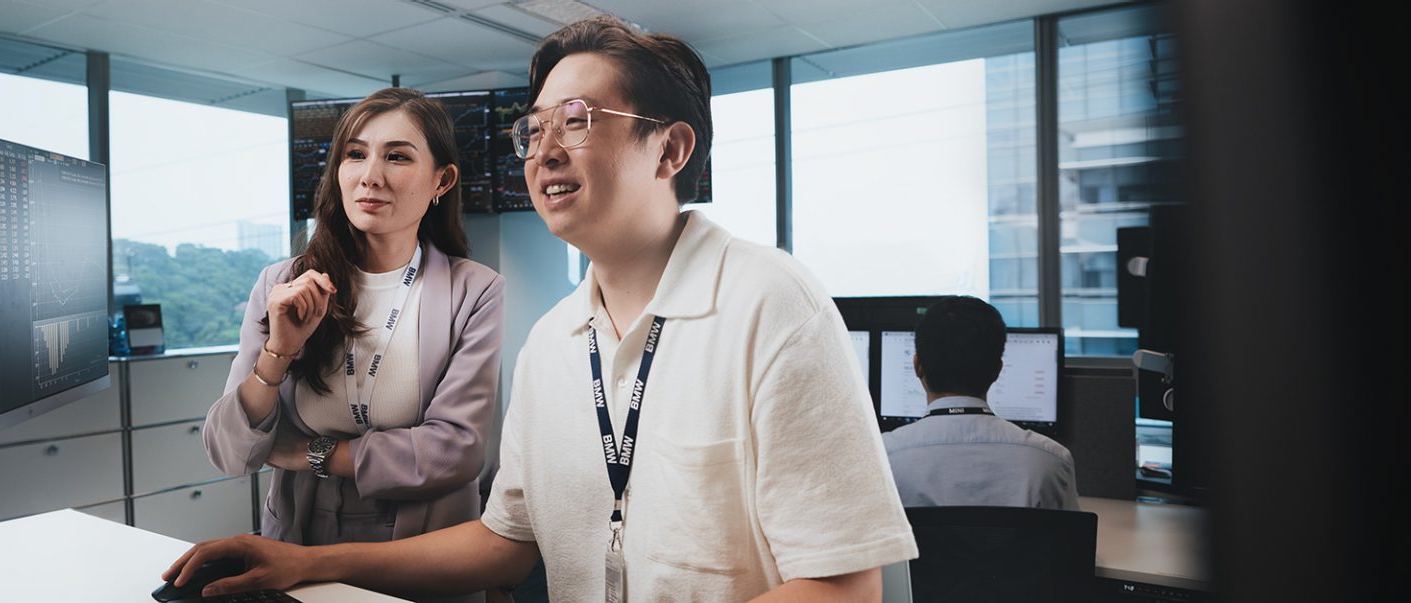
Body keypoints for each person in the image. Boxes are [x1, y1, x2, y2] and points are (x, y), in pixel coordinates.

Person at [167, 17, 916, 601]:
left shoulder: (773, 303)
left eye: (579, 120)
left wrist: (313, 459)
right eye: (535, 127)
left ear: (670, 150)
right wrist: (302, 561)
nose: (544, 149)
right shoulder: (554, 341)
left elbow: (844, 585)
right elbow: (504, 540)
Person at [200, 87, 506, 579]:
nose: (370, 177)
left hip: (421, 551)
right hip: (297, 539)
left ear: (441, 181)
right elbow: (230, 451)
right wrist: (278, 351)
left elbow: (454, 453)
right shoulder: (283, 283)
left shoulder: (474, 290)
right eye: (355, 154)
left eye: (397, 157)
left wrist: (309, 453)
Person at [880, 296, 1080, 510]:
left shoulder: (881, 459)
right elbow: (1068, 543)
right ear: (998, 370)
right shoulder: (1051, 462)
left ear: (917, 366)